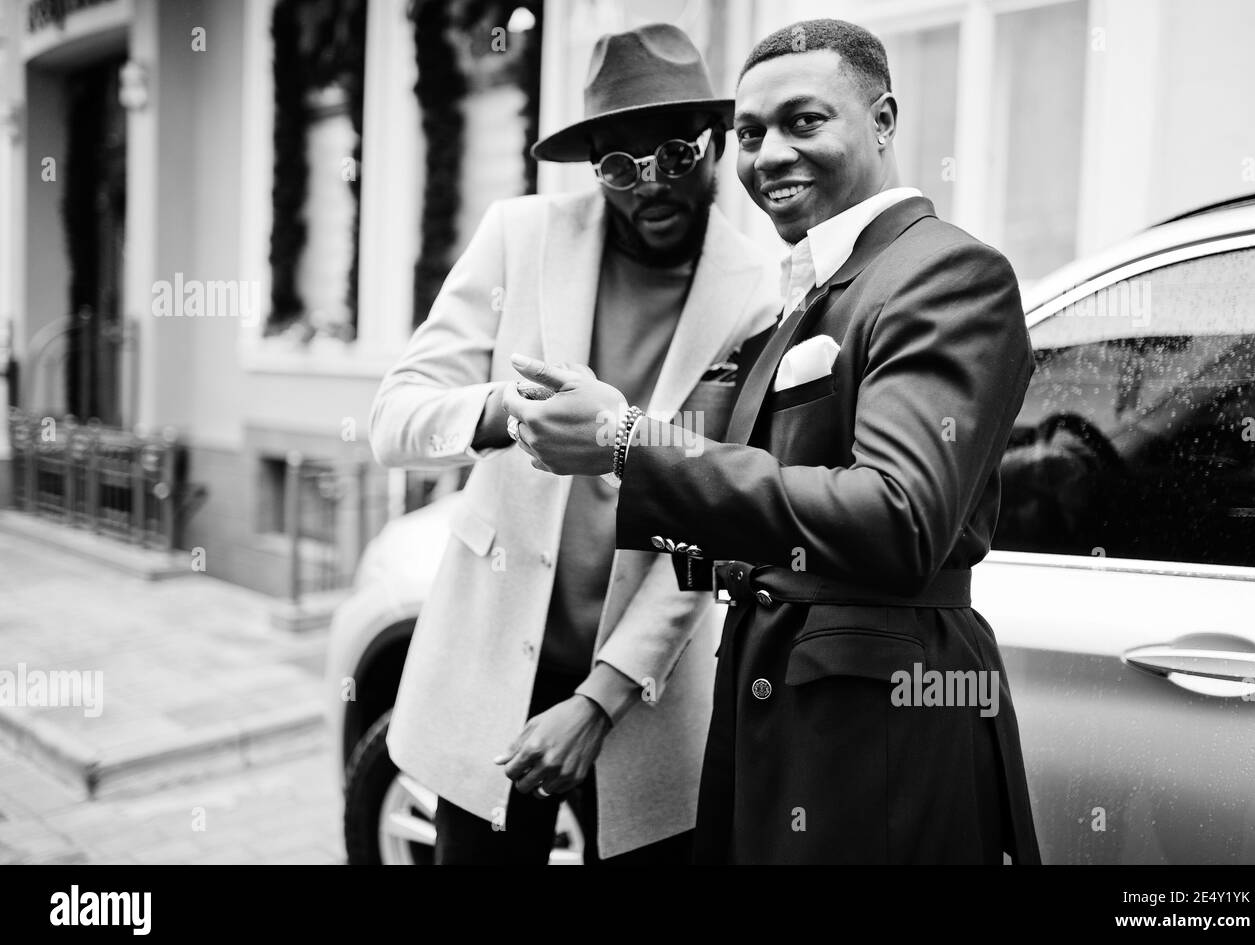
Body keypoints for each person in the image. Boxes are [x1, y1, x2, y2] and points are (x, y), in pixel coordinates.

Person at [504, 18, 1042, 864]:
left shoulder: (948, 273)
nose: (768, 155)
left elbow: (897, 516)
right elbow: (743, 476)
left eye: (804, 121)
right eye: (750, 134)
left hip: (881, 736)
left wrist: (621, 436)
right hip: (774, 719)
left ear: (885, 121)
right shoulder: (807, 291)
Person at [369, 23, 779, 864]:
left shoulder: (757, 294)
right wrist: (510, 414)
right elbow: (395, 418)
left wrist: (598, 700)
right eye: (620, 166)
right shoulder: (519, 237)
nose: (651, 185)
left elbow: (711, 521)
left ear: (712, 144)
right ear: (593, 164)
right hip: (489, 674)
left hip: (646, 691)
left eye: (673, 153)